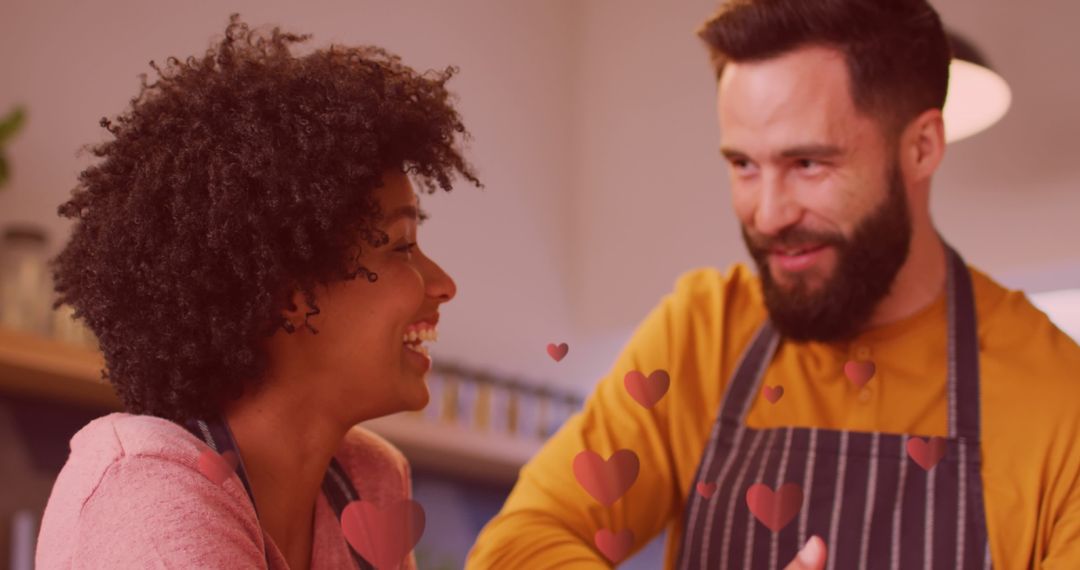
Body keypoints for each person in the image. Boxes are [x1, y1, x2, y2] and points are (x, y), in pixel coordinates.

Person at [466, 0, 1080, 568]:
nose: (767, 214)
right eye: (744, 165)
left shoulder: (1060, 397)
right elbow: (520, 542)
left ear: (921, 147)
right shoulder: (702, 332)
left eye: (808, 163)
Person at [36, 14, 480, 570]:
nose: (443, 284)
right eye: (400, 246)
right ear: (288, 291)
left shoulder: (367, 480)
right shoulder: (150, 492)